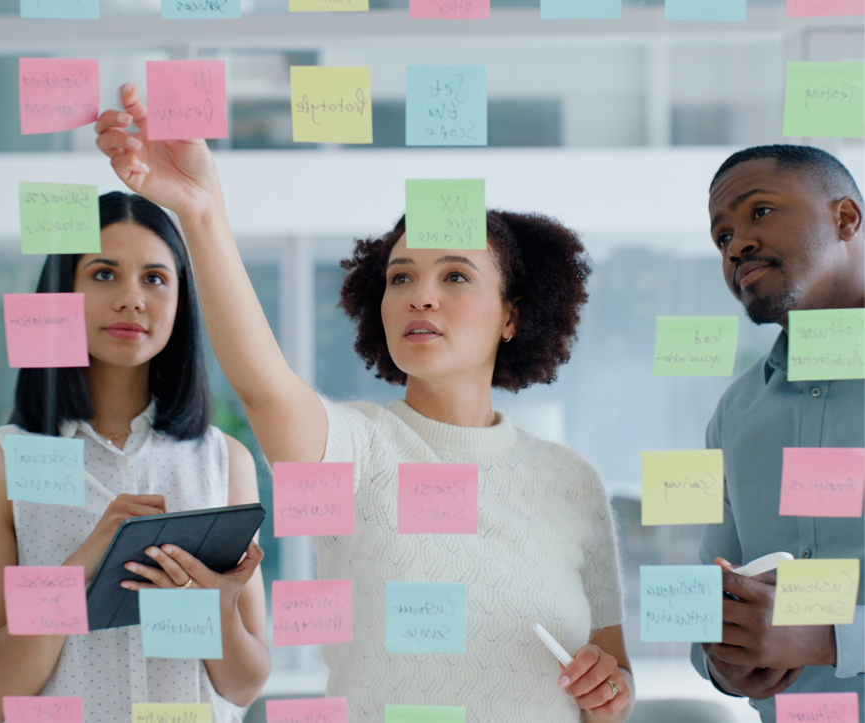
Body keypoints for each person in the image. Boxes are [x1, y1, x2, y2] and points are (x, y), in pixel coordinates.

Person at [95, 84, 634, 723]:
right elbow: (264, 387)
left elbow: (611, 677)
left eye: (455, 276)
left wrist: (613, 690)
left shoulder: (573, 481)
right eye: (401, 276)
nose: (420, 296)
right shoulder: (361, 448)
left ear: (513, 316)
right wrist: (201, 210)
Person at [0, 191, 271, 723]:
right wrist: (80, 568)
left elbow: (245, 687)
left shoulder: (226, 460)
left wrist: (216, 610)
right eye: (104, 274)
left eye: (155, 278)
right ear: (60, 293)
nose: (132, 299)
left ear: (181, 301)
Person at [691, 144, 864, 722]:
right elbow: (707, 606)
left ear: (845, 219)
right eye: (721, 236)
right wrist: (725, 660)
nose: (736, 244)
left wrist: (830, 638)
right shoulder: (736, 413)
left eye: (759, 212)